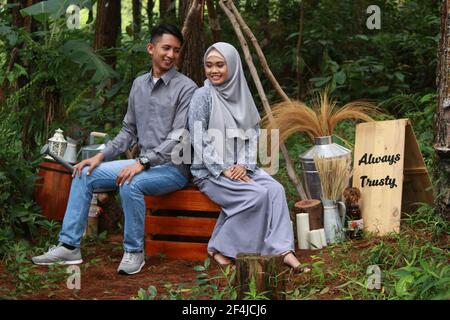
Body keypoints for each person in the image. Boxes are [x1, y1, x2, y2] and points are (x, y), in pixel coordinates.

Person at [32, 24, 197, 275]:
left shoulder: (186, 88)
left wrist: (141, 163)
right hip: (143, 164)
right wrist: (99, 156)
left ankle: (134, 251)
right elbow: (127, 132)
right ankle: (69, 246)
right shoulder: (138, 85)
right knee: (84, 172)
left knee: (131, 182)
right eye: (166, 48)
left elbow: (179, 137)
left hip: (173, 168)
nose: (171, 55)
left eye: (176, 50)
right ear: (151, 48)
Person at [188, 42, 306, 272]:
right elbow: (198, 137)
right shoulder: (202, 96)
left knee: (275, 190)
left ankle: (282, 249)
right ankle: (220, 248)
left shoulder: (241, 94)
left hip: (241, 166)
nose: (214, 70)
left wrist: (242, 163)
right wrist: (224, 168)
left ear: (232, 66)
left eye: (220, 65)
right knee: (257, 195)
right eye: (209, 65)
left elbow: (252, 134)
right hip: (211, 172)